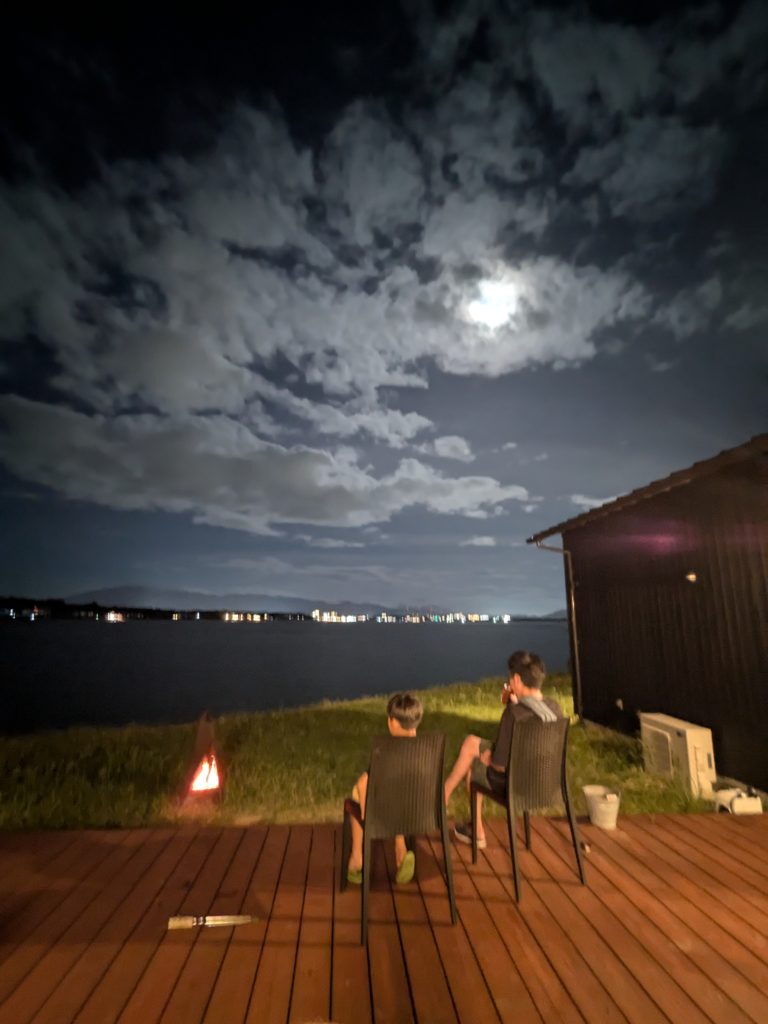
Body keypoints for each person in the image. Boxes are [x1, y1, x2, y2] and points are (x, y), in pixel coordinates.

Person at [444, 650, 562, 849]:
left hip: (517, 788)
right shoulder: (554, 708)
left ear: (516, 679)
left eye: (510, 678)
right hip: (548, 785)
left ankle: (476, 831)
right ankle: (445, 794)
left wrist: (488, 758)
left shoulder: (514, 714)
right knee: (473, 743)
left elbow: (499, 766)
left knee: (474, 768)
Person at [346, 692, 424, 885]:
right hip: (419, 810)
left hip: (388, 812)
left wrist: (368, 818)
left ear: (393, 723)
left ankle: (357, 857)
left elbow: (363, 784)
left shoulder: (387, 751)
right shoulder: (427, 749)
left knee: (356, 796)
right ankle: (400, 846)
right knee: (398, 793)